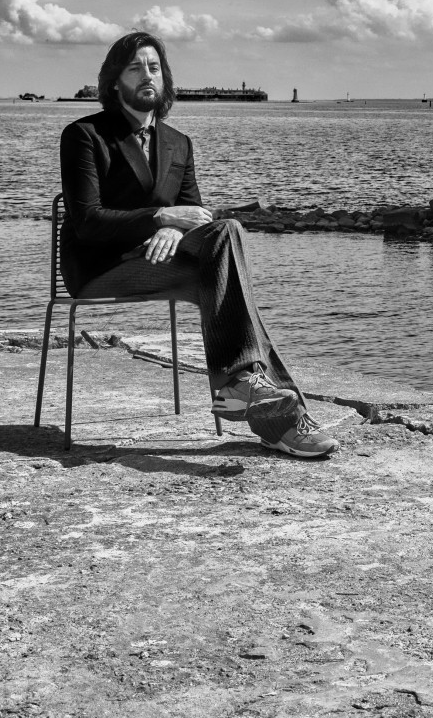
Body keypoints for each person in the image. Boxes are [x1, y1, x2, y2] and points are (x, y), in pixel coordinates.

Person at [58, 31, 336, 459]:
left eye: (154, 67)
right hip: (101, 266)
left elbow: (197, 217)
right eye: (135, 68)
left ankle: (254, 397)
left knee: (227, 246)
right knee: (231, 272)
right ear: (114, 82)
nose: (147, 75)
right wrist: (161, 217)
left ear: (165, 78)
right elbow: (87, 221)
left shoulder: (178, 143)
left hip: (162, 260)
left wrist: (175, 229)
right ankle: (271, 412)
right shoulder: (84, 135)